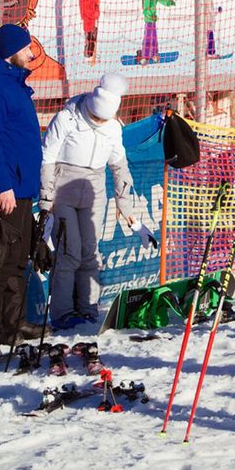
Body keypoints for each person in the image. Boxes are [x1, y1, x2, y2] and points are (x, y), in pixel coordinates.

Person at [39, 73, 156, 329]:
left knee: (90, 252)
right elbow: (47, 157)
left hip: (94, 189)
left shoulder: (113, 128)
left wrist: (125, 207)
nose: (99, 122)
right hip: (64, 186)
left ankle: (88, 308)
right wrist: (46, 200)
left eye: (104, 119)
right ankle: (62, 313)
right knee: (69, 252)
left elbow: (119, 166)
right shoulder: (67, 118)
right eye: (96, 117)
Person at [0, 24, 47, 371]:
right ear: (9, 51)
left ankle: (12, 325)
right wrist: (3, 185)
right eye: (27, 47)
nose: (32, 53)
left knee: (18, 261)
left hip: (21, 189)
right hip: (5, 191)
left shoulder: (15, 84)